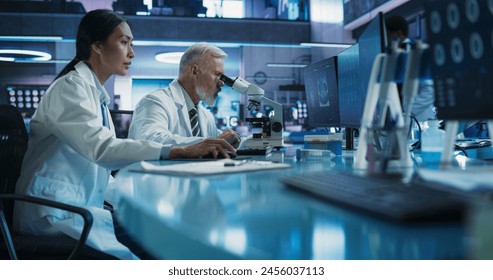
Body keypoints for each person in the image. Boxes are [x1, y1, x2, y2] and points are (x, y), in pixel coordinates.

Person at [13, 9, 235, 260]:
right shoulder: (69, 88)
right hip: (53, 213)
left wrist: (138, 204)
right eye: (124, 42)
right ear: (97, 45)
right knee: (160, 243)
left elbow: (100, 174)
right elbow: (102, 150)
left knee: (160, 231)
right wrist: (177, 149)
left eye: (132, 44)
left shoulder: (94, 95)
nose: (132, 52)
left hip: (76, 208)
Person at [128, 42, 241, 148]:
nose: (221, 83)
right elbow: (151, 141)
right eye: (217, 75)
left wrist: (244, 141)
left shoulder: (205, 115)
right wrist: (208, 143)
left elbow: (218, 139)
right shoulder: (155, 102)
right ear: (194, 71)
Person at [385, 15, 436, 123]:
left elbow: (429, 90)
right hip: (404, 119)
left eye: (388, 36)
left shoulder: (416, 52)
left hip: (418, 120)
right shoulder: (395, 56)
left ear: (398, 34)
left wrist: (407, 112)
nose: (387, 41)